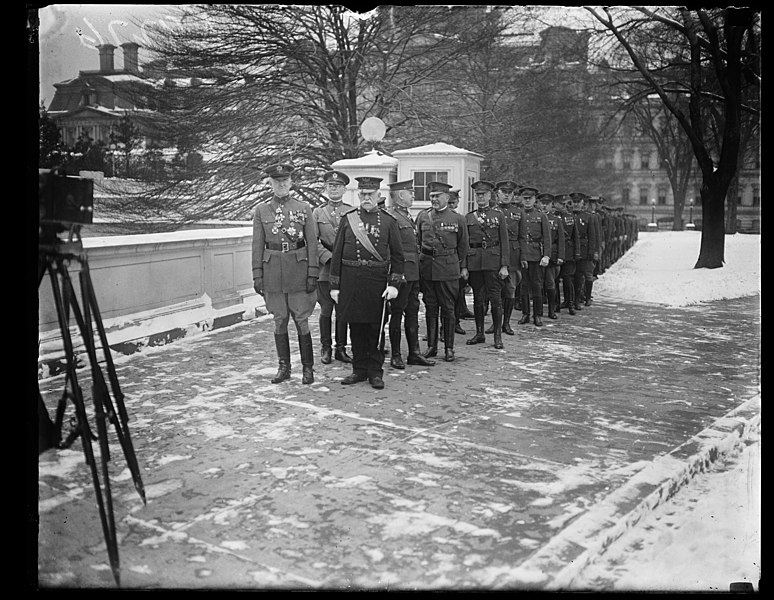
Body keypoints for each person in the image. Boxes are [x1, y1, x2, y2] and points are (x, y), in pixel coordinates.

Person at [329, 177, 405, 389]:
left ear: (378, 196)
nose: (366, 198)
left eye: (370, 194)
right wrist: (335, 285)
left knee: (375, 329)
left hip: (376, 282)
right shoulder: (348, 219)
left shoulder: (389, 222)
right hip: (352, 280)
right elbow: (336, 255)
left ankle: (375, 371)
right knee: (355, 328)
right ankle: (359, 369)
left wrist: (394, 284)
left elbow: (399, 257)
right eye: (363, 194)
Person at [252, 163, 319, 385]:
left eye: (285, 180)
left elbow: (312, 244)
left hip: (299, 272)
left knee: (302, 320)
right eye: (276, 181)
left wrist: (312, 273)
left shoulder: (303, 208)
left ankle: (308, 369)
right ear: (270, 184)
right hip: (273, 274)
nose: (281, 184)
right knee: (279, 320)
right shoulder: (261, 211)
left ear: (291, 182)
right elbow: (257, 245)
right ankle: (284, 367)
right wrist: (257, 275)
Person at [415, 181, 469, 362]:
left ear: (447, 197)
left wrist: (460, 266)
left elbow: (463, 246)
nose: (434, 199)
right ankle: (431, 346)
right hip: (428, 268)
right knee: (430, 307)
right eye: (431, 196)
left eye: (438, 196)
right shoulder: (423, 217)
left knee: (448, 308)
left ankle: (449, 348)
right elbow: (419, 241)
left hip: (448, 269)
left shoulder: (457, 219)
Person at [384, 180, 435, 369]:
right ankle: (395, 354)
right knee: (397, 314)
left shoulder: (405, 215)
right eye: (410, 192)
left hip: (413, 273)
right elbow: (390, 249)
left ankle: (414, 353)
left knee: (413, 312)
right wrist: (397, 275)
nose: (413, 196)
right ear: (400, 195)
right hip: (402, 274)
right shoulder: (392, 217)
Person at [312, 170, 352, 365]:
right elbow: (313, 240)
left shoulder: (351, 211)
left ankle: (341, 348)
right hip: (326, 270)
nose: (334, 189)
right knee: (326, 310)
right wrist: (327, 257)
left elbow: (354, 240)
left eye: (338, 186)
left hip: (345, 269)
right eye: (330, 185)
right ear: (325, 188)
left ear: (344, 189)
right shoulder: (318, 212)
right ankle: (325, 347)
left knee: (343, 310)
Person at [465, 180, 509, 348]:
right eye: (478, 195)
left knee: (496, 300)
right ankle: (479, 333)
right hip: (475, 263)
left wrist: (504, 265)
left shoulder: (498, 216)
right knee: (478, 299)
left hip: (493, 262)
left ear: (490, 195)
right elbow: (465, 244)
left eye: (483, 194)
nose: (480, 197)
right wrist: (465, 266)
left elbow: (505, 242)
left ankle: (497, 336)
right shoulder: (469, 217)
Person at [486, 179, 522, 336]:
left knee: (510, 290)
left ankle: (506, 323)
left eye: (510, 193)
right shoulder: (490, 211)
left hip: (513, 257)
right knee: (494, 291)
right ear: (497, 194)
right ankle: (495, 324)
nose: (506, 196)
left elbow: (522, 238)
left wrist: (523, 258)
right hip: (493, 255)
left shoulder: (518, 213)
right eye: (503, 193)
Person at [517, 186, 551, 327]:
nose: (527, 201)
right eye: (525, 199)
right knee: (523, 286)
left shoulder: (541, 216)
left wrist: (546, 255)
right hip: (521, 254)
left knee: (537, 286)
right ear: (521, 199)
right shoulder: (518, 215)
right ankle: (525, 314)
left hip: (536, 255)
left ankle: (538, 315)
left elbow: (547, 238)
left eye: (530, 199)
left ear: (535, 200)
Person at [537, 193, 565, 320]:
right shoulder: (534, 217)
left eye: (547, 204)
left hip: (551, 256)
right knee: (536, 283)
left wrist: (560, 256)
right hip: (536, 253)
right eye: (542, 203)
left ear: (551, 205)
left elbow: (560, 240)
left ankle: (551, 309)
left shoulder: (556, 220)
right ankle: (538, 310)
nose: (544, 206)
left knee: (550, 283)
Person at [570, 192, 599, 311]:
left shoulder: (589, 217)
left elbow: (592, 236)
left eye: (578, 202)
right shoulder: (568, 216)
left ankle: (586, 298)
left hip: (584, 251)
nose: (576, 204)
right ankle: (572, 300)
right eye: (574, 202)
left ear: (583, 203)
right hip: (571, 250)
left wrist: (592, 253)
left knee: (586, 275)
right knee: (573, 277)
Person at [447, 189, 469, 335]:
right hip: (437, 265)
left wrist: (463, 266)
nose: (451, 206)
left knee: (456, 295)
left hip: (455, 263)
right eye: (449, 203)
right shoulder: (429, 217)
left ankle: (455, 323)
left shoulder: (460, 219)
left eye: (453, 203)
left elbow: (463, 245)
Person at [554, 194, 580, 315]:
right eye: (561, 204)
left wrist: (577, 253)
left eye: (565, 204)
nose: (564, 206)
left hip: (568, 252)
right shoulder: (551, 217)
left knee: (568, 280)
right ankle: (556, 304)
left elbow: (576, 237)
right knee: (554, 279)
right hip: (555, 252)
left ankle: (570, 303)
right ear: (555, 204)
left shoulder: (570, 217)